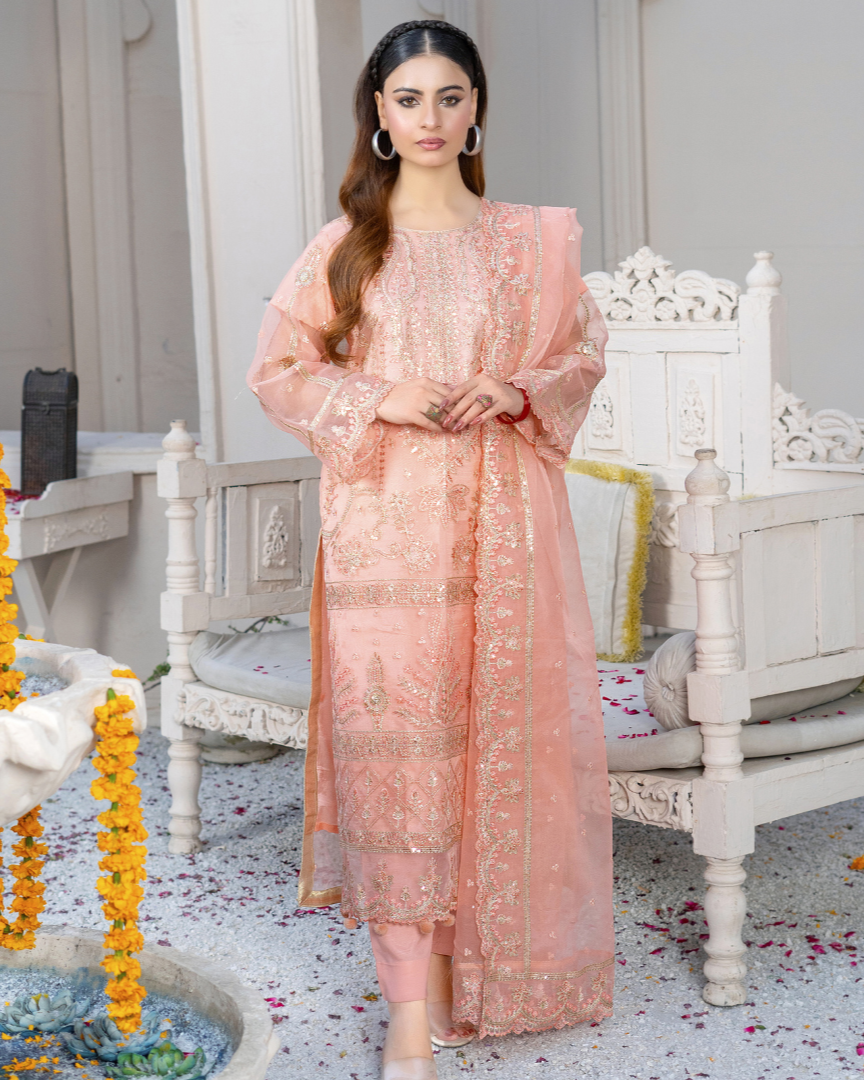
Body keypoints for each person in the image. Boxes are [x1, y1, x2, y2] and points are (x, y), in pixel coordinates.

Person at [247, 20, 614, 1080]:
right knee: (397, 767)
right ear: (378, 113)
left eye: (450, 97)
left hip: (504, 537)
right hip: (383, 542)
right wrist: (383, 394)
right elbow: (278, 373)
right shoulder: (346, 247)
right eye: (409, 100)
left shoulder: (528, 242)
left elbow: (582, 353)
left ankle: (475, 976)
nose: (430, 120)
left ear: (477, 108)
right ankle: (409, 1009)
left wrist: (522, 387)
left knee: (488, 751)